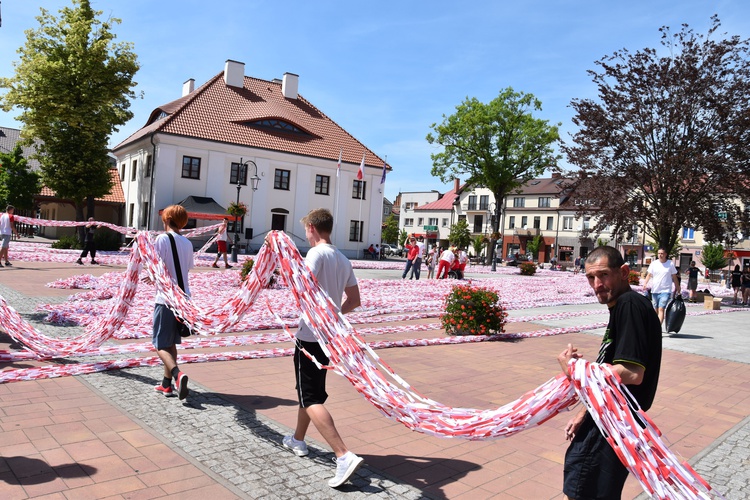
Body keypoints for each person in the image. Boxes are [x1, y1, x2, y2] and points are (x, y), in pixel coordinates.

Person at [557, 245, 662, 500]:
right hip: (607, 417)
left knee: (581, 491)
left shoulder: (628, 304)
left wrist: (574, 369)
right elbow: (612, 367)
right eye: (590, 277)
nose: (596, 284)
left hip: (610, 424)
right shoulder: (625, 306)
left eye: (603, 275)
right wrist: (584, 412)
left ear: (624, 272)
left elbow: (631, 372)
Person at [281, 208, 364, 488]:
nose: (305, 234)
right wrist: (334, 314)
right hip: (327, 335)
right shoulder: (342, 258)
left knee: (311, 396)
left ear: (313, 228)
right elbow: (354, 299)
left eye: (306, 229)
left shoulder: (316, 254)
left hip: (310, 334)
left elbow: (302, 287)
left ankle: (343, 454)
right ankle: (298, 439)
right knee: (309, 391)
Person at [142, 205, 194, 400]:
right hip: (184, 298)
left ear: (167, 219)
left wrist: (152, 276)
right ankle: (166, 385)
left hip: (166, 298)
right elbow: (187, 268)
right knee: (171, 342)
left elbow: (157, 265)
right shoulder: (187, 243)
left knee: (160, 344)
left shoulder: (162, 239)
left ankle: (177, 375)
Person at [643, 247, 681, 326]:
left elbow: (674, 277)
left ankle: (658, 327)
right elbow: (649, 274)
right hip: (655, 290)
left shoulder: (670, 264)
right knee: (655, 310)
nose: (660, 255)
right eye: (659, 253)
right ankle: (655, 325)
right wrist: (645, 283)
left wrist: (678, 288)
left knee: (661, 308)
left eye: (662, 253)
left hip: (665, 290)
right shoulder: (654, 263)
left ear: (665, 254)